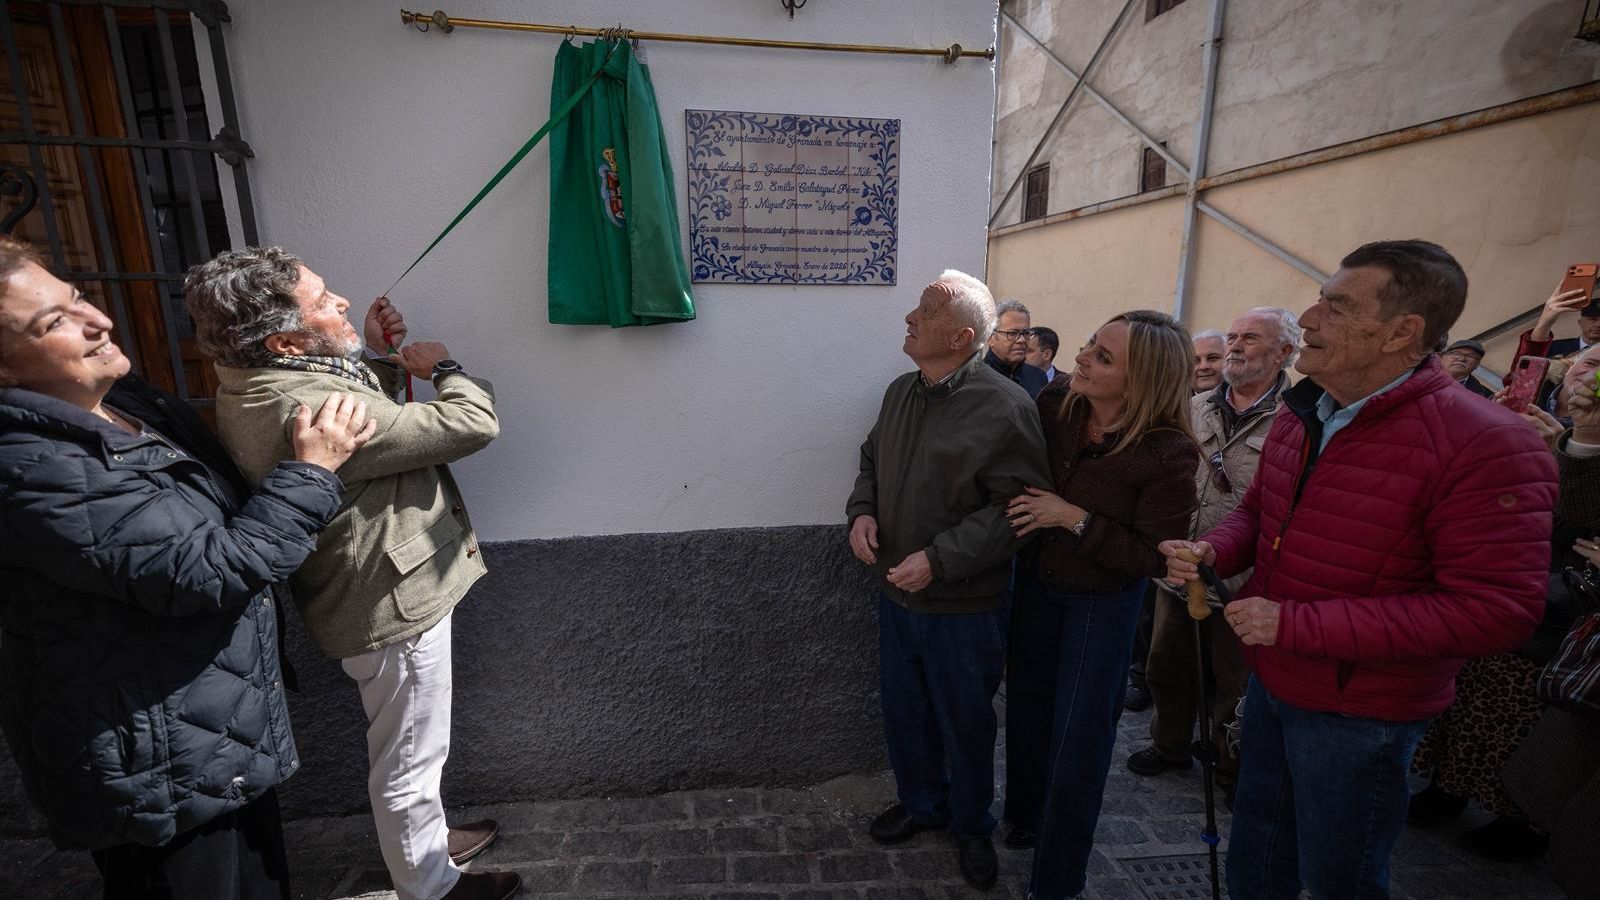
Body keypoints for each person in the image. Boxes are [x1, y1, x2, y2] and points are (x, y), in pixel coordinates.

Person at [1162, 240, 1557, 900]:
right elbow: (1259, 516)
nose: (1309, 318)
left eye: (1337, 306)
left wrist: (1295, 624)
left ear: (1403, 332)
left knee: (1337, 878)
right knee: (1257, 851)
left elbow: (1498, 611)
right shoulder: (1305, 411)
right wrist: (1213, 552)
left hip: (1363, 716)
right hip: (1274, 687)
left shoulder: (1488, 442)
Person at [0, 236, 374, 899]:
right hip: (150, 758)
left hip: (210, 728)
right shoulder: (30, 467)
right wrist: (313, 471)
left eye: (78, 298)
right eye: (55, 322)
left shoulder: (128, 403)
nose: (98, 322)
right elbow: (210, 570)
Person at [184, 248, 515, 900]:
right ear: (284, 338)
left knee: (411, 745)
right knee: (411, 756)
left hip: (374, 590)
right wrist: (443, 366)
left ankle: (425, 842)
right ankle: (431, 885)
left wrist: (365, 347)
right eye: (323, 301)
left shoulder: (261, 375)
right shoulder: (302, 409)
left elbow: (370, 428)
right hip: (390, 601)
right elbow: (471, 423)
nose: (339, 300)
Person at [847, 271, 1050, 891]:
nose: (910, 317)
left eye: (925, 311)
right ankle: (921, 804)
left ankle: (970, 825)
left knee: (964, 719)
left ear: (962, 337)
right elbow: (871, 460)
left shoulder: (1006, 406)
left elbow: (1020, 507)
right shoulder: (901, 392)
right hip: (895, 592)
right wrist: (861, 510)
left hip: (965, 602)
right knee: (905, 710)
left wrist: (941, 558)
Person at [1002, 310, 1199, 900]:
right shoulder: (1058, 402)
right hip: (1038, 586)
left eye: (1104, 357)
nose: (1083, 356)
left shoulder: (1169, 454)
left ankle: (1057, 878)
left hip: (1102, 606)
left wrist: (1074, 518)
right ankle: (1026, 816)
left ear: (1142, 383)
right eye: (1091, 343)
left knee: (1080, 739)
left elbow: (1152, 556)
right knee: (1029, 711)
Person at [1128, 308, 1299, 803]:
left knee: (1234, 679)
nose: (1236, 346)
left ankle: (1230, 763)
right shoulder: (1196, 405)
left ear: (1285, 352)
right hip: (1180, 567)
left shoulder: (1296, 416)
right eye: (1234, 336)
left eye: (1251, 338)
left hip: (1245, 577)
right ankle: (1169, 745)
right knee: (1166, 665)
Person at [985, 299, 1049, 398]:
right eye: (1012, 333)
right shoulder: (974, 379)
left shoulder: (1038, 377)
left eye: (1026, 333)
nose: (1022, 340)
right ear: (990, 337)